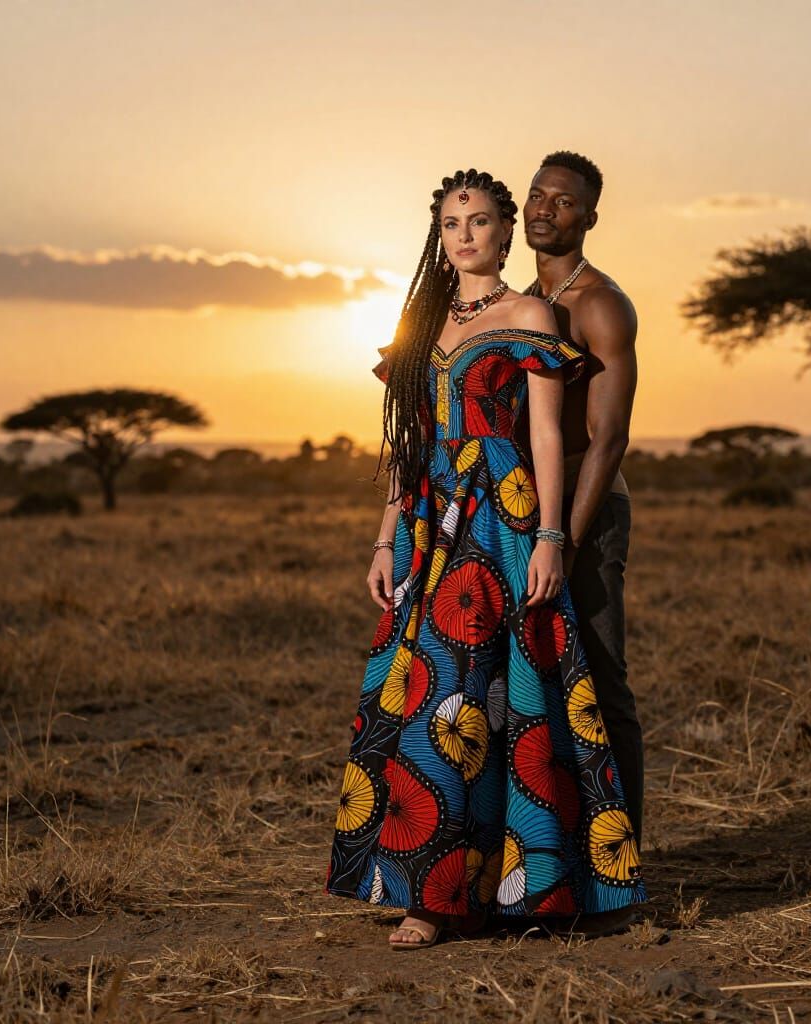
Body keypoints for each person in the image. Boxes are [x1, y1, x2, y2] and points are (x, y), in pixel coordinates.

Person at [325, 168, 645, 949]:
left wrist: (548, 536)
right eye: (449, 224)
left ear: (505, 233)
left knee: (494, 693)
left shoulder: (533, 312)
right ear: (438, 238)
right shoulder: (420, 321)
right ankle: (425, 892)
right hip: (429, 522)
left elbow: (545, 436)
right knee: (420, 693)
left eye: (478, 221)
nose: (464, 235)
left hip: (502, 516)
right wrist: (383, 537)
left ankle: (507, 890)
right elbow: (407, 443)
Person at [521, 152, 644, 856]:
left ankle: (621, 862)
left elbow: (608, 437)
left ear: (589, 217)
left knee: (600, 678)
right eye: (537, 194)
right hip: (522, 512)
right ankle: (551, 856)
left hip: (585, 514)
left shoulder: (599, 303)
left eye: (563, 201)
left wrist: (564, 538)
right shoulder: (516, 299)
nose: (545, 207)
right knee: (531, 680)